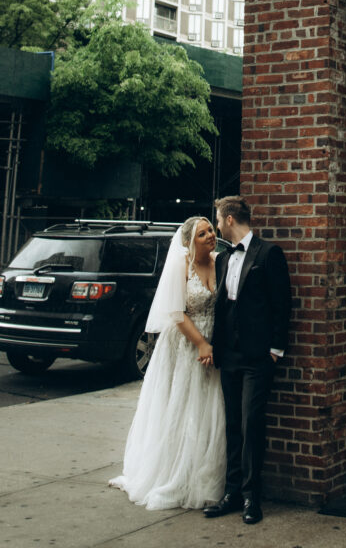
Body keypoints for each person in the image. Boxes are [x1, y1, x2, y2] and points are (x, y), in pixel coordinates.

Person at [109, 216, 226, 510]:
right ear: (190, 242)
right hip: (186, 345)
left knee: (209, 410)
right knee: (184, 407)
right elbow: (175, 312)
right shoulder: (180, 265)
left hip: (215, 345)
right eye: (203, 234)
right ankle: (175, 475)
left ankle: (205, 475)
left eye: (211, 229)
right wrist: (201, 343)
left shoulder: (219, 261)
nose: (211, 235)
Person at [204, 195, 291, 525]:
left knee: (251, 423)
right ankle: (232, 492)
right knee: (232, 424)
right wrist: (216, 348)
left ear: (228, 219)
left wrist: (275, 350)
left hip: (258, 357)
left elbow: (282, 304)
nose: (215, 224)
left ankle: (252, 497)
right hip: (230, 355)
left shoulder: (269, 254)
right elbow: (223, 307)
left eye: (217, 218)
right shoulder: (224, 259)